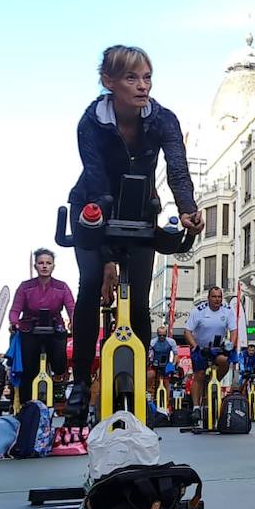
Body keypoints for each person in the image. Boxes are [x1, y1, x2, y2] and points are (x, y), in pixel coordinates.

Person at [66, 45, 204, 417]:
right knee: (92, 282)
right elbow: (96, 179)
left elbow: (177, 170)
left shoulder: (163, 120)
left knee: (140, 300)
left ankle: (140, 383)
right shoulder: (91, 122)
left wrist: (188, 210)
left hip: (140, 209)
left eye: (147, 77)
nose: (142, 86)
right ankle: (79, 382)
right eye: (131, 78)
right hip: (94, 209)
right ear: (108, 82)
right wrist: (109, 258)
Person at [9, 248, 75, 404]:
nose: (44, 266)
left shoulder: (62, 286)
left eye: (48, 263)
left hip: (54, 327)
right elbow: (14, 310)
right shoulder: (25, 287)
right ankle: (26, 405)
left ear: (53, 266)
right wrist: (14, 323)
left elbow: (72, 308)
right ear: (35, 266)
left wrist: (74, 322)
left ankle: (58, 385)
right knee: (28, 369)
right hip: (29, 328)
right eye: (41, 263)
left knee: (60, 362)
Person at [185, 286, 233, 409]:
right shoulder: (198, 311)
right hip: (200, 348)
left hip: (217, 348)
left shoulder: (227, 310)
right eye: (214, 297)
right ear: (208, 298)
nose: (217, 299)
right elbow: (188, 331)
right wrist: (195, 347)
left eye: (219, 297)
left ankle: (213, 384)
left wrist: (231, 345)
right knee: (199, 375)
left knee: (225, 362)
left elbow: (234, 330)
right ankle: (196, 407)